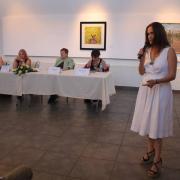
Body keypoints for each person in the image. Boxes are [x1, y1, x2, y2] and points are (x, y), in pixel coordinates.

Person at [130, 22, 177, 178]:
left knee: (156, 127)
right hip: (145, 91)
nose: (149, 36)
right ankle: (150, 152)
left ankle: (157, 160)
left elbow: (172, 75)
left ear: (159, 33)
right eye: (147, 33)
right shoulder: (147, 50)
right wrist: (141, 57)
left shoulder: (169, 51)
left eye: (152, 33)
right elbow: (142, 71)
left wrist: (156, 82)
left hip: (160, 91)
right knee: (148, 123)